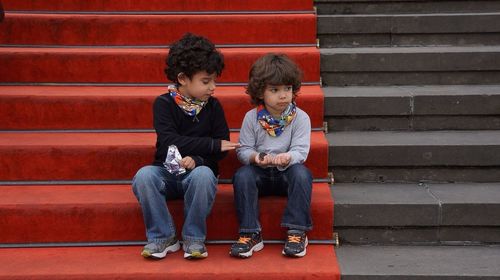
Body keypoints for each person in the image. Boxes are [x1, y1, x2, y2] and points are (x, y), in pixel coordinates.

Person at [132, 33, 239, 260]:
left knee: (203, 175)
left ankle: (193, 238)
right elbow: (170, 142)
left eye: (214, 81)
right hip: (167, 171)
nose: (213, 87)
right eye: (206, 81)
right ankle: (162, 237)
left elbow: (221, 150)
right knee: (143, 176)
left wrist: (199, 159)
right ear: (182, 78)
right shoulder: (163, 104)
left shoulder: (214, 106)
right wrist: (210, 145)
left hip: (199, 174)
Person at [229, 53, 313, 258]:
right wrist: (256, 158)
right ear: (260, 92)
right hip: (261, 173)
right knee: (242, 175)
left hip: (287, 173)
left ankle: (296, 231)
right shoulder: (251, 118)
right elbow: (243, 149)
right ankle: (250, 233)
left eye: (288, 89)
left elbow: (301, 150)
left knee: (302, 174)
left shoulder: (301, 118)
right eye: (275, 90)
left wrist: (288, 157)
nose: (283, 95)